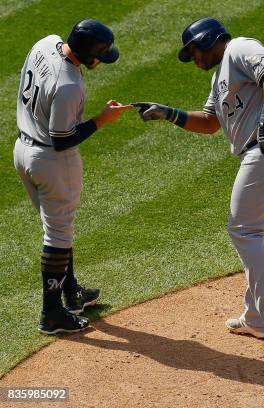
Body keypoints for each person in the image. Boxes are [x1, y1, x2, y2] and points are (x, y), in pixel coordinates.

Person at [133, 17, 264, 355]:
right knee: (262, 234)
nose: (194, 59)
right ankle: (258, 317)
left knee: (243, 229)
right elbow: (211, 122)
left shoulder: (241, 48)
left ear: (210, 39)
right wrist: (168, 113)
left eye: (195, 50)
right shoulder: (219, 79)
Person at [14, 19, 132, 334]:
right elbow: (61, 138)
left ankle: (71, 292)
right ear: (87, 53)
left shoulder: (45, 41)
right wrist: (102, 119)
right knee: (58, 235)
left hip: (22, 150)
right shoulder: (69, 86)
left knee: (58, 227)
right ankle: (51, 314)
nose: (101, 61)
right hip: (51, 160)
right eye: (101, 55)